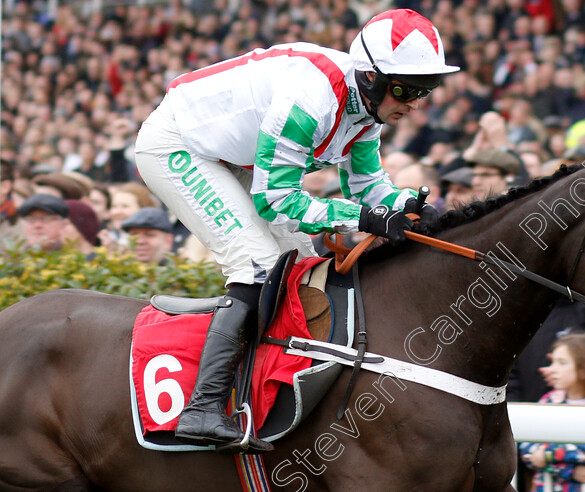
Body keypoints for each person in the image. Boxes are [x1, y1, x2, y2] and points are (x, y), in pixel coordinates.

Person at [133, 9, 458, 452]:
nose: (416, 103)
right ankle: (203, 408)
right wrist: (364, 218)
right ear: (369, 77)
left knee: (307, 267)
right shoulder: (312, 100)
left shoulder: (365, 111)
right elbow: (276, 201)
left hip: (236, 157)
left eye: (426, 90)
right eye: (406, 89)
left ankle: (274, 388)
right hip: (179, 145)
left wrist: (415, 209)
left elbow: (368, 186)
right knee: (259, 266)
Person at [518, 332, 585, 492]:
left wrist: (547, 455)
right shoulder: (548, 402)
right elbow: (528, 452)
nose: (552, 369)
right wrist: (569, 471)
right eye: (552, 362)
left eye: (562, 363)